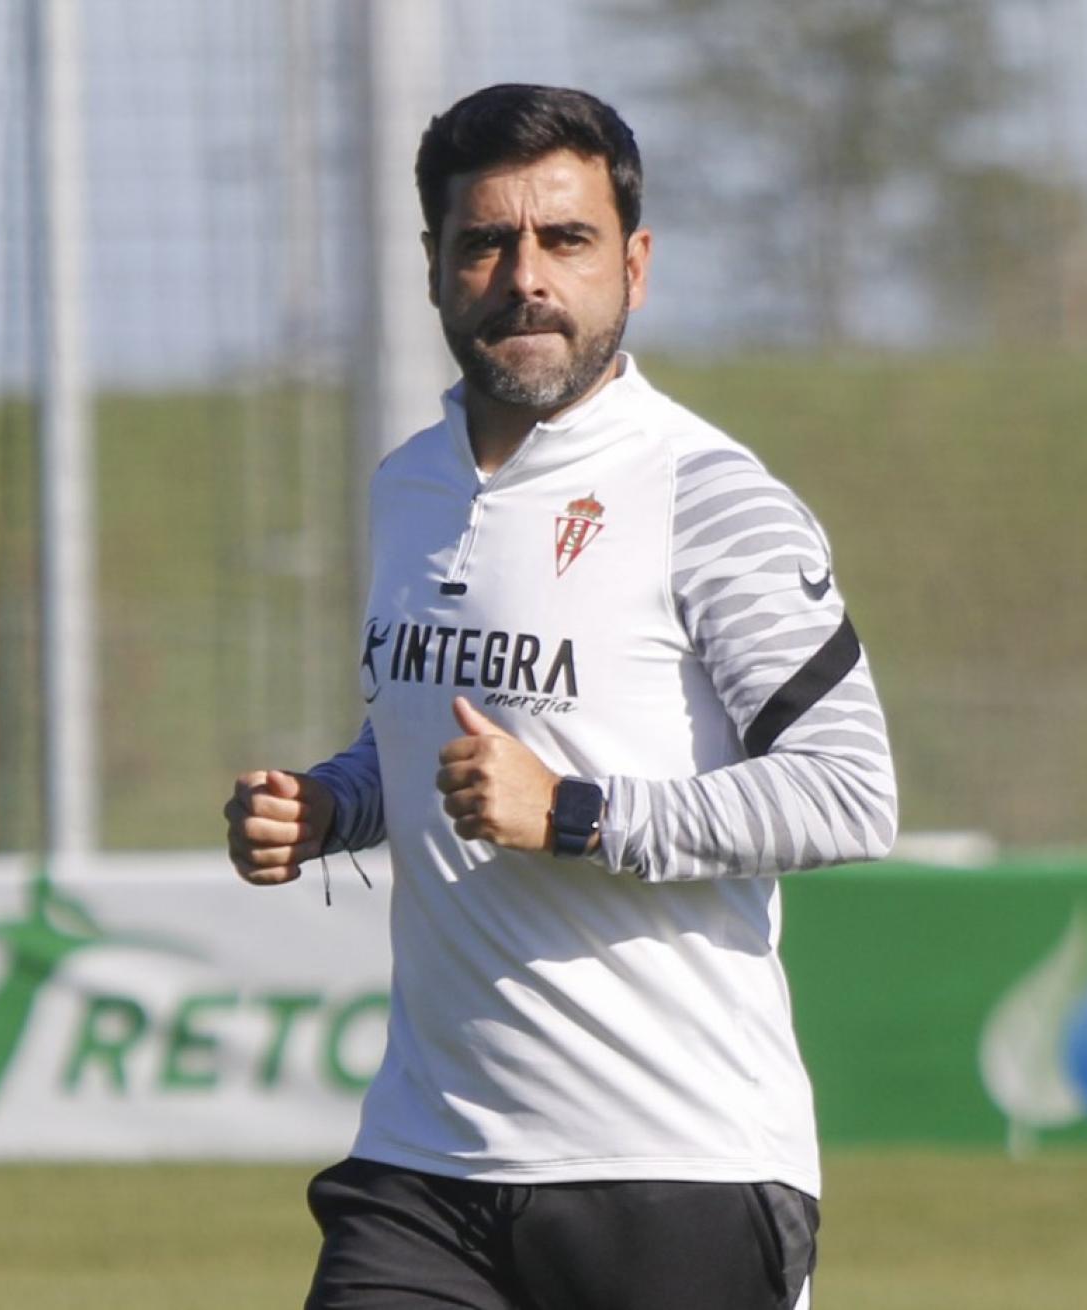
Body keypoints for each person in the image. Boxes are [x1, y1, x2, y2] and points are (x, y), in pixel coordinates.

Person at [223, 83, 896, 1310]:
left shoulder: (710, 493)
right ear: (435, 266)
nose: (525, 277)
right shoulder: (409, 486)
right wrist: (333, 802)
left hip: (679, 1165)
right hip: (427, 1162)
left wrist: (577, 812)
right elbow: (435, 730)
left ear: (633, 264)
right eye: (486, 241)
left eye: (566, 239)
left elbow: (850, 792)